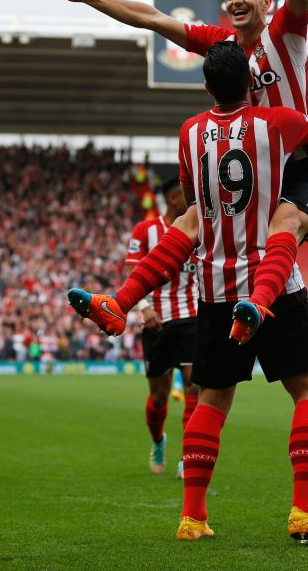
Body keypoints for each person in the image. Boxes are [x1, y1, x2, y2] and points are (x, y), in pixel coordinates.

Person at [69, 41, 308, 543]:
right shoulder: (277, 123)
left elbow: (192, 207)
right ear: (252, 82)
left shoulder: (190, 131)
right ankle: (305, 511)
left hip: (215, 288)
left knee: (211, 402)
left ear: (206, 87)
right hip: (273, 284)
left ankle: (192, 518)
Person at [57, 0, 308, 340]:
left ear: (267, 4)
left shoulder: (286, 33)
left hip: (293, 165)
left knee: (280, 224)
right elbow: (152, 18)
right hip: (248, 167)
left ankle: (257, 307)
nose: (237, 0)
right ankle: (118, 304)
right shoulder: (222, 45)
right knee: (188, 221)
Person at [125, 177, 200, 478]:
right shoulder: (146, 230)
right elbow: (132, 269)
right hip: (156, 321)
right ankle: (158, 441)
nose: (194, 200)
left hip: (192, 317)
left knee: (194, 386)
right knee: (159, 397)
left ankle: (187, 457)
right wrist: (144, 307)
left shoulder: (201, 227)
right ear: (172, 199)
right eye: (187, 195)